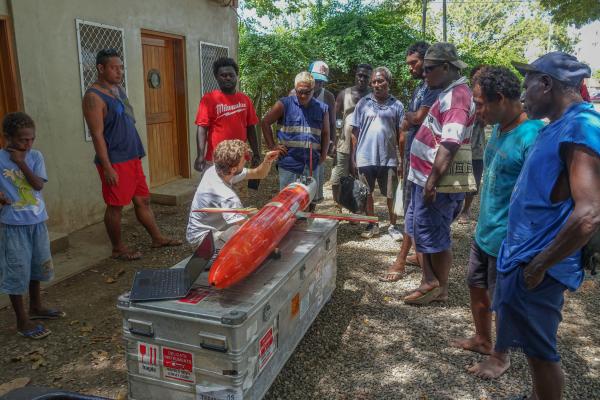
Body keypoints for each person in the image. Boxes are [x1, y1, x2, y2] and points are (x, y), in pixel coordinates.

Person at [492, 52, 600, 400]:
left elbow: (589, 213)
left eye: (527, 87)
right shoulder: (555, 126)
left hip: (539, 265)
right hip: (525, 257)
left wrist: (540, 265)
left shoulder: (580, 127)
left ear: (546, 84)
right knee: (533, 349)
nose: (523, 95)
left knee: (541, 352)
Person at [449, 67, 543, 379]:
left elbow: (539, 198)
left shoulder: (532, 137)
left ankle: (501, 357)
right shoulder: (500, 128)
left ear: (500, 99)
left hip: (508, 239)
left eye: (479, 104)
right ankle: (482, 339)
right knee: (475, 286)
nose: (476, 111)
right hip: (484, 231)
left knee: (502, 300)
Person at [82, 49, 181, 261]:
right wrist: (107, 167)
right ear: (101, 68)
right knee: (116, 205)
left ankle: (157, 238)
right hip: (115, 160)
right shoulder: (93, 97)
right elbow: (97, 135)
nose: (119, 72)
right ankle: (118, 248)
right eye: (114, 68)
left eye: (121, 68)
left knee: (143, 200)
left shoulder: (117, 90)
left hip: (131, 155)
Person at [404, 43, 474, 304]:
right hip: (423, 177)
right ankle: (430, 281)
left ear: (447, 67)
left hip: (437, 182)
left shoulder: (457, 98)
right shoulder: (447, 93)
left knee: (433, 231)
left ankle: (436, 286)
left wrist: (432, 182)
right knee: (420, 227)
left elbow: (450, 142)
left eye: (430, 69)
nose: (424, 73)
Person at [0, 112, 65, 340]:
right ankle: (21, 320)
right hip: (12, 225)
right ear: (7, 137)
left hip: (37, 221)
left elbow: (37, 184)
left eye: (31, 139)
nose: (27, 144)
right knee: (17, 270)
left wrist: (20, 161)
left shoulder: (35, 156)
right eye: (22, 140)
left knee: (38, 265)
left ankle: (36, 306)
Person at [381, 41, 441, 281]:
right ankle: (418, 254)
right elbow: (409, 124)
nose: (409, 68)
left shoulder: (435, 89)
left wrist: (408, 118)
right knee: (410, 207)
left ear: (427, 61)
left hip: (426, 161)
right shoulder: (420, 89)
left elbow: (418, 117)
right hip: (412, 158)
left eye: (413, 63)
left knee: (414, 210)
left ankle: (402, 260)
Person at [187, 140, 279, 248]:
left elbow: (259, 173)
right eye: (243, 159)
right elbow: (246, 227)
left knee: (252, 215)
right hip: (203, 241)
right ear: (234, 169)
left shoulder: (218, 170)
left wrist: (267, 161)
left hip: (203, 233)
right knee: (249, 235)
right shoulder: (227, 196)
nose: (246, 160)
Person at [261, 71, 330, 212]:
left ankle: (307, 228)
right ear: (295, 89)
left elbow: (326, 133)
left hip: (311, 164)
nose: (303, 95)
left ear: (313, 90)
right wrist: (273, 146)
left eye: (307, 92)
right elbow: (265, 122)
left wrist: (323, 155)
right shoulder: (284, 104)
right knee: (287, 201)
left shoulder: (321, 108)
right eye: (300, 92)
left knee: (309, 199)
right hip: (289, 163)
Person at [351, 67, 405, 239]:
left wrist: (402, 159)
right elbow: (355, 132)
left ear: (388, 82)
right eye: (373, 81)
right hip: (365, 156)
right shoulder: (363, 103)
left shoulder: (397, 105)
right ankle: (371, 224)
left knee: (391, 194)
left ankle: (393, 226)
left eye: (380, 81)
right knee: (367, 192)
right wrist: (353, 156)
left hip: (388, 157)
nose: (376, 84)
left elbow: (401, 134)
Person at [193, 57, 261, 174]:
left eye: (231, 75)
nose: (228, 78)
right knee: (215, 192)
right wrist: (200, 155)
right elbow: (202, 128)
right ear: (216, 77)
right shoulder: (208, 99)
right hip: (216, 160)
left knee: (238, 191)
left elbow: (250, 128)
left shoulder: (245, 100)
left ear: (236, 76)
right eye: (223, 75)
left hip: (239, 159)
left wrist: (256, 153)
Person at [331, 64, 372, 208]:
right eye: (359, 75)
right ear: (355, 75)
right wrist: (334, 140)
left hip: (364, 146)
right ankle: (338, 206)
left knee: (359, 178)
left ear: (370, 78)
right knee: (337, 178)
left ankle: (355, 208)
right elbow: (334, 117)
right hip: (344, 143)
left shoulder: (372, 96)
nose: (362, 78)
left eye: (365, 76)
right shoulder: (344, 94)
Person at [457, 66, 488, 224]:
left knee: (472, 181)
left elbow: (484, 121)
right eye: (477, 76)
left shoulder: (487, 98)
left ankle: (466, 209)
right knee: (457, 178)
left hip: (477, 147)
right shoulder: (465, 95)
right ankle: (455, 207)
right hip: (461, 145)